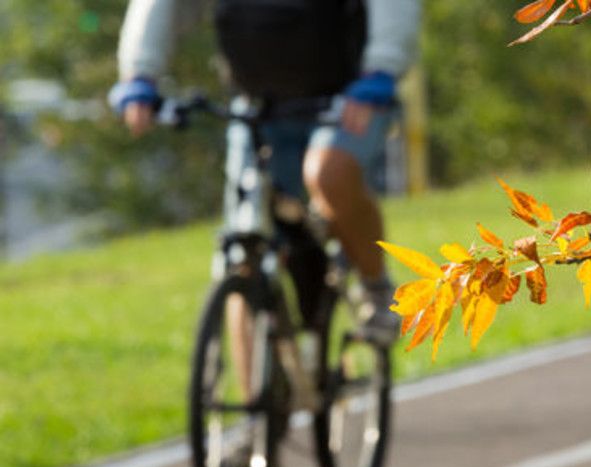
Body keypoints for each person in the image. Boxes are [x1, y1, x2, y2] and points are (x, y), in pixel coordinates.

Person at [108, 0, 421, 347]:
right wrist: (139, 74)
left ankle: (375, 289)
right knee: (242, 253)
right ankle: (257, 397)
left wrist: (383, 68)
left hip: (349, 98)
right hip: (258, 103)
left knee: (328, 176)